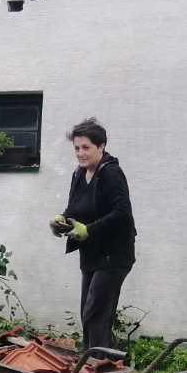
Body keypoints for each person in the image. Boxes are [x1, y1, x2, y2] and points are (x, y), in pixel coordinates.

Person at [51, 118, 136, 352]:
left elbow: (122, 214)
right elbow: (75, 209)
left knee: (95, 312)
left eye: (86, 147)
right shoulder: (79, 175)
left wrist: (89, 229)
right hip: (91, 253)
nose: (80, 153)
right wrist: (61, 220)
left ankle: (97, 363)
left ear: (101, 146)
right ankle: (94, 359)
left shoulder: (111, 173)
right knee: (87, 313)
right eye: (77, 148)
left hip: (114, 254)